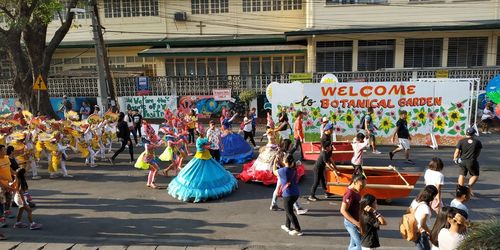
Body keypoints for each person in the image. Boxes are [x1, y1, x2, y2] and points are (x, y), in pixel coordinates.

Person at [167, 136, 238, 202]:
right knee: (199, 174)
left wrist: (211, 142)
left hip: (207, 158)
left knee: (211, 172)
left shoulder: (202, 140)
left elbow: (208, 144)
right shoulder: (199, 142)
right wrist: (211, 144)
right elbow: (207, 146)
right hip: (200, 159)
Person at [276, 153, 303, 236]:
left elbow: (274, 171)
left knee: (290, 212)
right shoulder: (293, 169)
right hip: (295, 193)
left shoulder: (283, 171)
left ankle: (298, 229)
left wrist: (274, 162)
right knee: (289, 210)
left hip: (288, 194)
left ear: (285, 161)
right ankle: (287, 226)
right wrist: (281, 161)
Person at [340, 174, 367, 250]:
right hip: (352, 224)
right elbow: (343, 210)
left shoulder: (354, 190)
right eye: (361, 186)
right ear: (355, 182)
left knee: (353, 244)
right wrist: (357, 223)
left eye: (364, 186)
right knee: (360, 247)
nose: (362, 188)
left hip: (355, 222)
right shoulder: (349, 194)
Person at [453, 127, 482, 195]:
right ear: (473, 134)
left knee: (462, 174)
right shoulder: (477, 142)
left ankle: (460, 189)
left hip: (462, 161)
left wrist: (455, 158)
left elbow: (457, 151)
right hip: (472, 161)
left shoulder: (461, 141)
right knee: (475, 175)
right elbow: (478, 152)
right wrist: (474, 157)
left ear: (466, 133)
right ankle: (468, 186)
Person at [409, 185, 438, 250]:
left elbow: (408, 211)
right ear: (431, 196)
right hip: (421, 233)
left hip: (414, 230)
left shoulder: (415, 201)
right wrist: (429, 232)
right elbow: (422, 223)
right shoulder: (425, 207)